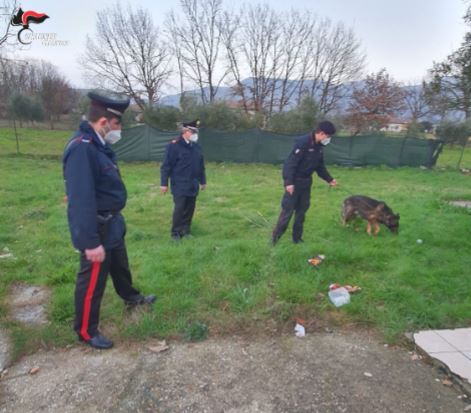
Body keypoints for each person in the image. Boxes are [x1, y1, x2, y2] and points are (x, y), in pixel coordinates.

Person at [63, 91, 156, 350]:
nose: (120, 130)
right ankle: (86, 330)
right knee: (92, 280)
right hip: (97, 227)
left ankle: (131, 297)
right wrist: (91, 242)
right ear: (104, 122)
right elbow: (80, 200)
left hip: (112, 222)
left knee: (120, 266)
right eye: (118, 124)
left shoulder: (97, 146)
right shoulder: (82, 149)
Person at [271, 120, 338, 245]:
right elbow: (290, 164)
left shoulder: (319, 147)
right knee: (287, 212)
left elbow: (320, 166)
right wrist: (289, 183)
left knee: (301, 212)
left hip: (306, 183)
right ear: (322, 133)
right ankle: (275, 239)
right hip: (294, 182)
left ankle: (297, 239)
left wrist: (330, 179)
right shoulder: (303, 143)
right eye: (328, 136)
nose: (328, 139)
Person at [160, 120, 206, 240]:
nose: (195, 134)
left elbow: (200, 165)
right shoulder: (174, 146)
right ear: (185, 131)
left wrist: (203, 181)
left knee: (190, 208)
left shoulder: (196, 146)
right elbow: (166, 165)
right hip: (179, 183)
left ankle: (185, 231)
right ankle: (175, 233)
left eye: (196, 132)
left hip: (193, 183)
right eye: (193, 131)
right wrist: (164, 183)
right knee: (180, 208)